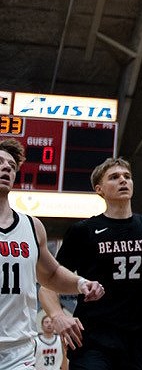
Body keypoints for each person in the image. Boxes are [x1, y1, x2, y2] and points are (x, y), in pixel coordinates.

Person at [39, 156, 142, 370]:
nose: (123, 180)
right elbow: (48, 284)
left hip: (135, 338)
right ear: (99, 189)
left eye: (127, 176)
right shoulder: (83, 231)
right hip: (92, 336)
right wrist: (57, 315)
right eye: (114, 177)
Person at [1, 140, 104, 370]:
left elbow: (51, 274)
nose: (6, 167)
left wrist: (80, 283)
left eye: (11, 165)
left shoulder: (31, 227)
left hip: (18, 350)